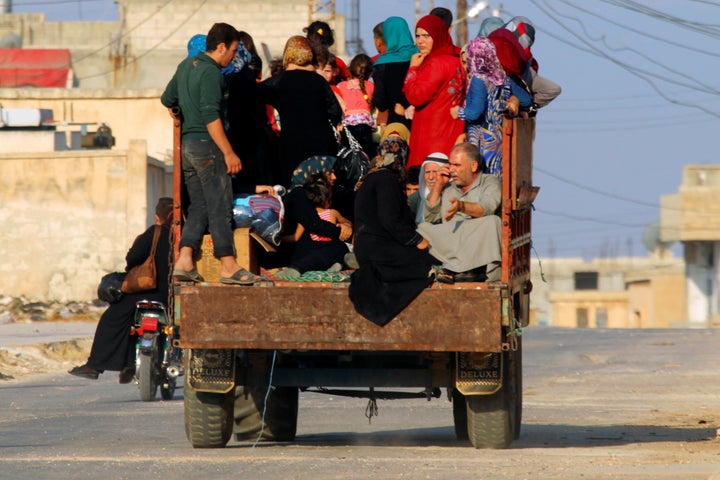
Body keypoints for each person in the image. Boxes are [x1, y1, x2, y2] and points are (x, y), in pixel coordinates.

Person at [161, 23, 257, 286]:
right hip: (209, 147)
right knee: (219, 206)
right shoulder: (212, 72)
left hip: (188, 148)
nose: (234, 57)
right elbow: (210, 115)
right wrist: (229, 152)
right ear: (221, 46)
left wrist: (178, 109)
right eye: (234, 50)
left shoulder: (185, 66)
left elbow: (167, 98)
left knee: (200, 206)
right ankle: (228, 265)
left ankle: (185, 259)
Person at [68, 198, 174, 382]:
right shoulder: (185, 236)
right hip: (173, 296)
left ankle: (95, 365)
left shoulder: (155, 232)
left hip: (147, 291)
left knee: (113, 318)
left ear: (158, 217)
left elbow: (132, 259)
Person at [349, 137, 436, 326]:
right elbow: (389, 220)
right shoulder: (387, 179)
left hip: (367, 246)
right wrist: (416, 240)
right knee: (425, 262)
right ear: (401, 157)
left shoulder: (371, 178)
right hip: (377, 248)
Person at [258, 36, 343, 187]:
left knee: (296, 194)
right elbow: (335, 111)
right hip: (322, 148)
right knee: (322, 193)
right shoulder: (319, 81)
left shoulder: (279, 81)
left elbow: (254, 94)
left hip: (293, 149)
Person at [417, 143, 502, 282]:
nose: (452, 170)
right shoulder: (448, 186)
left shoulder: (490, 182)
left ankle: (465, 270)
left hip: (476, 243)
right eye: (450, 165)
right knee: (422, 229)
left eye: (457, 165)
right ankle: (451, 269)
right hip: (452, 242)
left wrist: (461, 206)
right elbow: (430, 218)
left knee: (493, 222)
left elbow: (486, 209)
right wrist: (438, 185)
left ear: (473, 166)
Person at [451, 37, 531, 176]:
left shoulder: (479, 80)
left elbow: (475, 112)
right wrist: (513, 99)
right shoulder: (504, 78)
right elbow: (526, 100)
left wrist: (459, 111)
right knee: (497, 176)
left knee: (481, 177)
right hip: (499, 138)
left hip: (482, 140)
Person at [402, 14, 465, 169]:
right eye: (417, 36)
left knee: (427, 184)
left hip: (431, 137)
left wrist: (413, 69)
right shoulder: (458, 59)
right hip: (452, 133)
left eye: (426, 36)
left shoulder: (435, 63)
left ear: (437, 35)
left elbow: (415, 97)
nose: (420, 41)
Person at [277, 156, 353, 276]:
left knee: (338, 248)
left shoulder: (311, 195)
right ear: (316, 174)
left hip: (311, 246)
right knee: (338, 248)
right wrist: (341, 231)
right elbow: (314, 224)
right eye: (330, 173)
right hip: (297, 250)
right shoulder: (298, 194)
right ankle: (296, 269)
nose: (334, 177)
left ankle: (337, 264)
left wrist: (346, 225)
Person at [504, 16, 561, 109]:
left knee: (553, 89)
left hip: (523, 77)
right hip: (511, 78)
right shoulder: (497, 42)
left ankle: (529, 107)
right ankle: (526, 106)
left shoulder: (525, 51)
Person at [372, 16, 418, 133]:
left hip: (396, 124)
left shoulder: (381, 64)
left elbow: (380, 103)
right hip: (421, 122)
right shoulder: (421, 56)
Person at [336, 53, 376, 159]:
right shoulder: (371, 86)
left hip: (348, 127)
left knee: (349, 158)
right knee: (366, 157)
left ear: (350, 70)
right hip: (365, 126)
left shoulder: (341, 86)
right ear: (370, 73)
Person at [414, 152, 448, 224]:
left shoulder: (452, 194)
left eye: (435, 172)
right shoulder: (417, 197)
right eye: (427, 172)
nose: (431, 177)